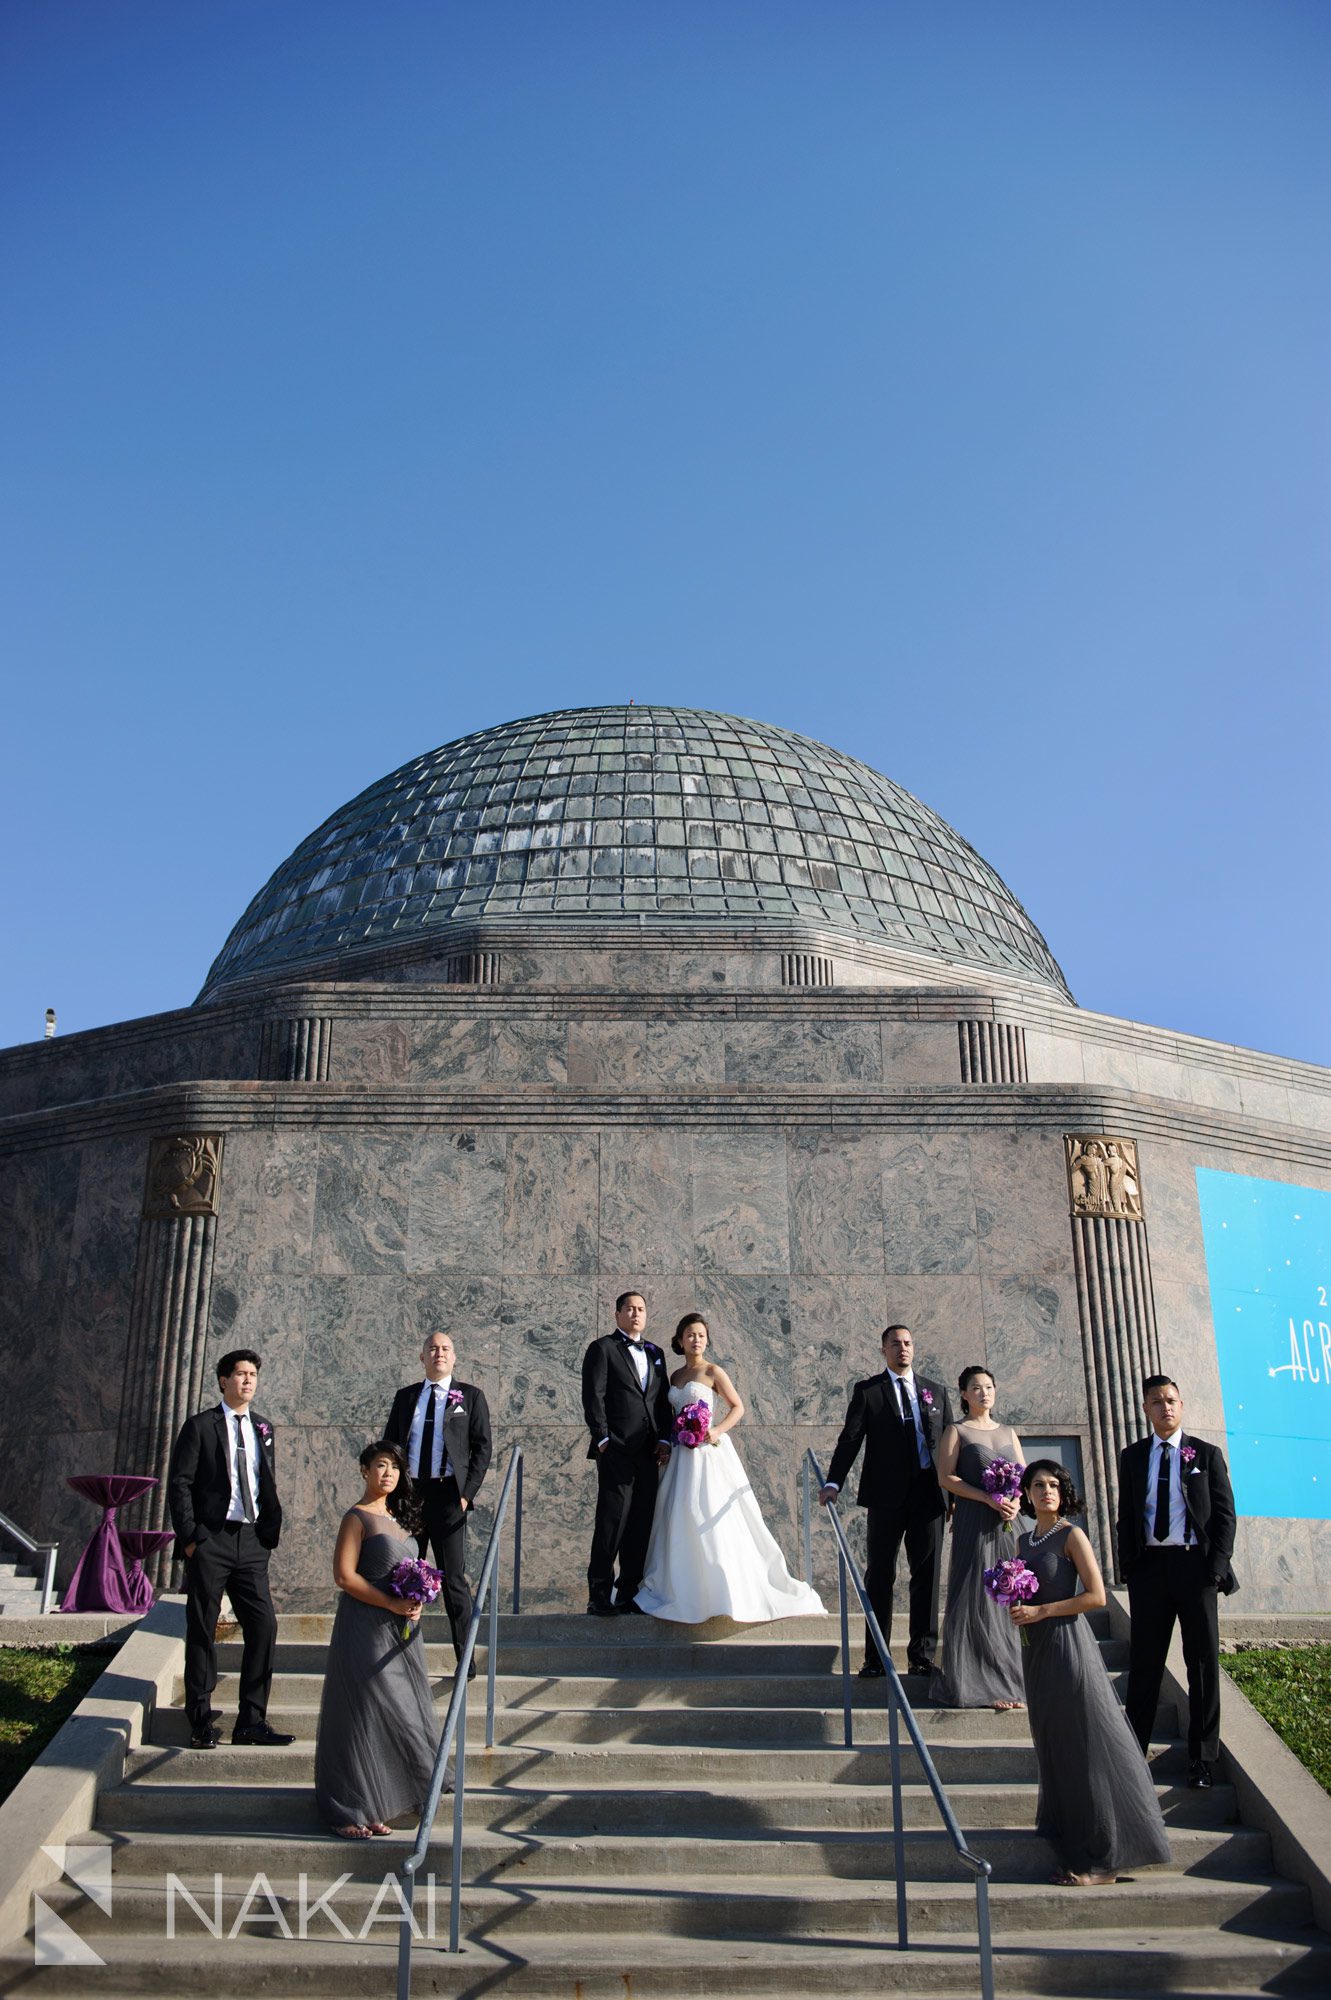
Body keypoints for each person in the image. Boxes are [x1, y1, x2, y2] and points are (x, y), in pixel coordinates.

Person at [1012, 1460, 1170, 1886]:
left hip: (1068, 1647)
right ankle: (1070, 1835)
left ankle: (1104, 1859)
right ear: (1026, 1494)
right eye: (1038, 1485)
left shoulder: (1071, 1535)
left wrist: (1042, 1610)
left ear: (1064, 1494)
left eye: (1054, 1485)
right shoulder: (1024, 1541)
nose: (1047, 1491)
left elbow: (1097, 1596)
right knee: (1054, 1741)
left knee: (1086, 1742)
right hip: (1036, 1650)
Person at [635, 1315, 824, 1623]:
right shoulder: (675, 1376)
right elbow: (671, 1413)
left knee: (708, 1513)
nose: (696, 1340)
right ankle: (682, 1584)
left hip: (709, 1452)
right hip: (682, 1454)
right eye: (690, 1335)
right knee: (678, 1515)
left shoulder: (713, 1371)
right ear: (680, 1340)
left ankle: (722, 1588)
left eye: (701, 1335)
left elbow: (738, 1406)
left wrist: (717, 1430)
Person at [313, 1441, 445, 1840]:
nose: (387, 1474)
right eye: (380, 1466)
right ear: (364, 1470)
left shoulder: (402, 1521)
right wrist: (390, 1602)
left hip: (400, 1630)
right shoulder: (357, 1517)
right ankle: (345, 1809)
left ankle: (373, 1805)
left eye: (394, 1468)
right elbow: (344, 1576)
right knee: (360, 1713)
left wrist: (417, 1601)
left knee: (387, 1713)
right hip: (365, 1624)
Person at [166, 1348, 294, 1751]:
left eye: (253, 1374)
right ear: (223, 1381)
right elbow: (180, 1483)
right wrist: (190, 1539)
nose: (248, 1381)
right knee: (203, 1627)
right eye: (240, 1374)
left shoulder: (263, 1428)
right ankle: (201, 1720)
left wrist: (268, 1532)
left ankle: (251, 1720)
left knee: (264, 1625)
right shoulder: (200, 1426)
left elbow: (262, 1480)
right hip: (211, 1540)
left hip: (252, 1541)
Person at [1117, 1374, 1237, 1791]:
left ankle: (1201, 1760)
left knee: (1201, 1665)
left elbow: (1225, 1517)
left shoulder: (1205, 1453)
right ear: (1146, 1409)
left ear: (1181, 1405)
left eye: (1171, 1400)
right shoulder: (1132, 1457)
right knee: (1145, 1665)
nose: (1165, 1407)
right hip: (1149, 1570)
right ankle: (1134, 1756)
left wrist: (1216, 1570)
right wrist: (1128, 1565)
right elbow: (1127, 1515)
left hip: (1195, 1570)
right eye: (1156, 1401)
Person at [820, 1325, 954, 1678]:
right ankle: (876, 1658)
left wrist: (952, 1495)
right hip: (885, 1497)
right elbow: (850, 1439)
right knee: (880, 1575)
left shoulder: (935, 1392)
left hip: (929, 1496)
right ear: (883, 1350)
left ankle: (922, 1657)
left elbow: (951, 1445)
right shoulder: (869, 1392)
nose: (903, 1349)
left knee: (926, 1575)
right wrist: (834, 1481)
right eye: (895, 1343)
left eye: (908, 1343)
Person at [384, 1331, 492, 1677]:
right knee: (402, 1575)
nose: (438, 1353)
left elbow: (482, 1448)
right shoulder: (406, 1398)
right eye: (432, 1348)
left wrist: (466, 1494)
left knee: (453, 1579)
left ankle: (465, 1660)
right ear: (422, 1357)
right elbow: (390, 1445)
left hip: (449, 1498)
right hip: (411, 1497)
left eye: (445, 1348)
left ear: (454, 1357)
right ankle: (398, 1654)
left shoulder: (470, 1397)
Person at [929, 1365, 1025, 1710]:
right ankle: (981, 1683)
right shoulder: (957, 1431)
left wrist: (1015, 1502)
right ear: (964, 1395)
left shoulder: (1008, 1432)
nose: (984, 1392)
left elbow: (1024, 1478)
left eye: (989, 1386)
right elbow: (945, 1477)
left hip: (1008, 1525)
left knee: (1011, 1596)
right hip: (974, 1519)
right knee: (976, 1597)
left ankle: (1012, 1678)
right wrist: (986, 1498)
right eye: (976, 1387)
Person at [581, 1290, 672, 1614]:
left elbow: (660, 1402)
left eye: (641, 1309)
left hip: (649, 1452)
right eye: (630, 1309)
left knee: (640, 1522)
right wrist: (603, 1439)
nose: (636, 1314)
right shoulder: (603, 1349)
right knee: (612, 1521)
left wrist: (666, 1439)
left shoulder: (656, 1352)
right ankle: (599, 1594)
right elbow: (594, 1395)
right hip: (616, 1451)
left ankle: (629, 1593)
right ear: (618, 1314)